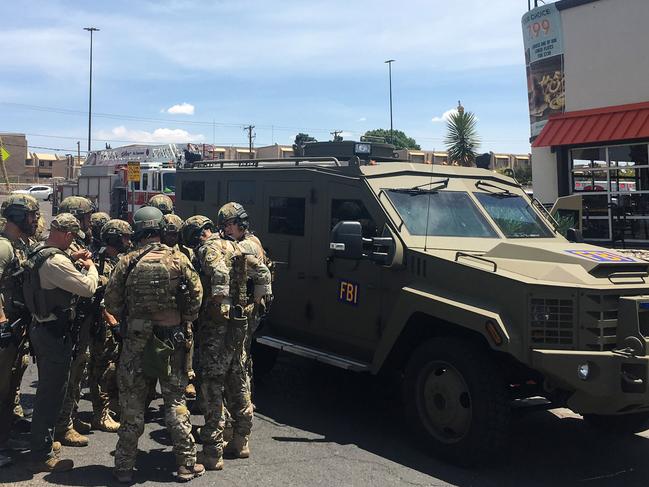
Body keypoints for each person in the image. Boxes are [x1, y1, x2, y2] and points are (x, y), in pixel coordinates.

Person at [104, 206, 204, 483]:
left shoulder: (127, 261)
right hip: (171, 340)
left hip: (135, 341)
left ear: (137, 230)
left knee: (132, 406)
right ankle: (186, 464)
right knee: (175, 402)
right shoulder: (179, 259)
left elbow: (111, 302)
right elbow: (196, 299)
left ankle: (124, 467)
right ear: (160, 229)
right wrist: (181, 317)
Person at [181, 214, 270, 469]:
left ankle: (212, 453)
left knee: (211, 386)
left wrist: (221, 301)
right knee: (238, 379)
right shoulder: (236, 245)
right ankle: (241, 442)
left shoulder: (210, 248)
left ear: (199, 235)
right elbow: (262, 272)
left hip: (216, 328)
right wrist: (259, 301)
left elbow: (218, 272)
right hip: (239, 324)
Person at [25, 213, 99, 473]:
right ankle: (42, 453)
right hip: (53, 333)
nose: (73, 244)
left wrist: (72, 259)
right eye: (72, 239)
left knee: (49, 389)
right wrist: (92, 268)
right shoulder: (55, 261)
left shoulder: (40, 251)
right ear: (67, 235)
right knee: (51, 393)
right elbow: (88, 288)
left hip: (41, 328)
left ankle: (43, 441)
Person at [216, 202, 273, 459]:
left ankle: (234, 426)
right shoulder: (254, 241)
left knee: (235, 367)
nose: (226, 230)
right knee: (241, 363)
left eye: (228, 225)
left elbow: (255, 272)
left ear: (238, 224)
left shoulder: (245, 246)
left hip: (243, 313)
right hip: (250, 311)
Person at [0, 195, 40, 468]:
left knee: (9, 387)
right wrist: (2, 320)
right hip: (5, 329)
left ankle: (5, 437)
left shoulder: (21, 246)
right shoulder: (3, 247)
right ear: (17, 217)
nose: (36, 220)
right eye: (32, 216)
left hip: (17, 329)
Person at [54, 196, 97, 447]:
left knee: (79, 370)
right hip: (68, 318)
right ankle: (63, 424)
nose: (89, 221)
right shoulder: (67, 248)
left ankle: (70, 415)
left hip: (79, 316)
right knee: (70, 372)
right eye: (86, 217)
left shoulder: (77, 243)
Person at [88, 219, 133, 432]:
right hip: (105, 327)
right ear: (114, 237)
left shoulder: (120, 260)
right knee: (102, 370)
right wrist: (114, 325)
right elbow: (103, 299)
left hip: (120, 323)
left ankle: (113, 406)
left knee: (115, 368)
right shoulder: (102, 262)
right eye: (124, 237)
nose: (128, 241)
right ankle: (100, 413)